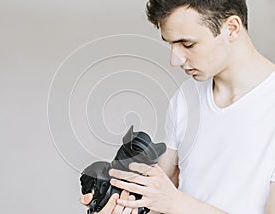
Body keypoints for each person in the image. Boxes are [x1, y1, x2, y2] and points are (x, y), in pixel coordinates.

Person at [80, 0, 275, 213]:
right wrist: (123, 202)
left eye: (188, 44)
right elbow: (160, 199)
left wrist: (175, 202)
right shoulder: (186, 97)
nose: (175, 59)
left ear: (231, 28)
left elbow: (170, 200)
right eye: (170, 44)